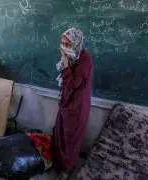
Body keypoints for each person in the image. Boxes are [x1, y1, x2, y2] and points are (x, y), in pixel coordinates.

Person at [53, 27, 93, 180]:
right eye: (62, 43)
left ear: (76, 44)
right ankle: (58, 165)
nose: (64, 47)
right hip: (66, 101)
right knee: (60, 133)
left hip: (77, 106)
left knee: (70, 139)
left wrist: (64, 62)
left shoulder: (85, 59)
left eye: (68, 44)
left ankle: (66, 170)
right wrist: (65, 61)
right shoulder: (72, 56)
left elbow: (74, 83)